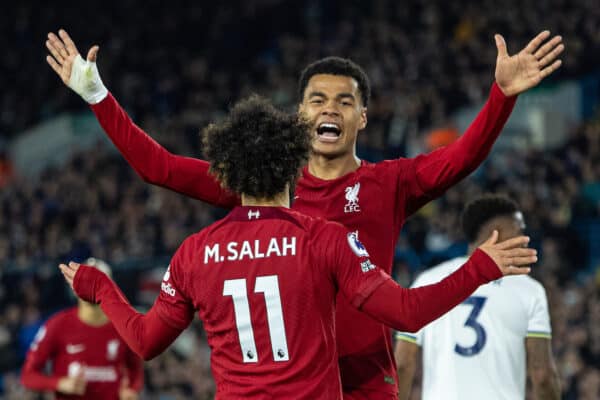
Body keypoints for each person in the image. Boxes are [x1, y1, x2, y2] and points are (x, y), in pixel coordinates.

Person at [46, 28, 563, 399]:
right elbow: (158, 166)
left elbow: (462, 157)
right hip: (292, 379)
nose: (330, 108)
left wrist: (500, 97)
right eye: (317, 99)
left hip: (364, 380)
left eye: (344, 100)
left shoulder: (390, 182)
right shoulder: (265, 184)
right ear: (299, 115)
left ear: (363, 116)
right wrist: (97, 95)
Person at [394, 195, 561, 400]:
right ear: (495, 234)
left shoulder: (428, 280)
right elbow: (542, 374)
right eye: (518, 231)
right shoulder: (528, 289)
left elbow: (402, 364)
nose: (525, 239)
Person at [21, 258, 143, 400]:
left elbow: (135, 370)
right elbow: (28, 376)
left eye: (98, 282)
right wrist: (59, 383)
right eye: (87, 282)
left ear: (111, 287)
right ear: (74, 286)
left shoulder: (124, 325)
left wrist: (131, 390)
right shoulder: (58, 324)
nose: (92, 288)